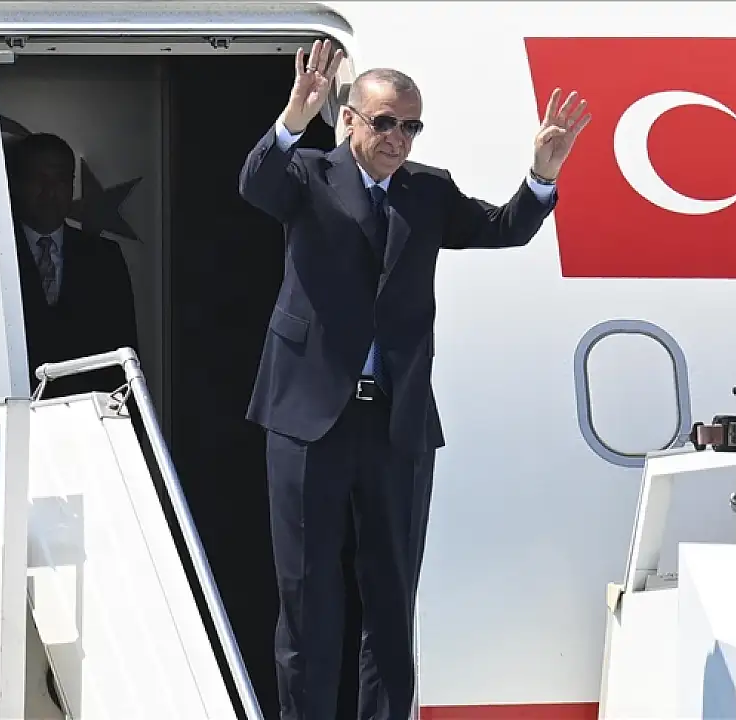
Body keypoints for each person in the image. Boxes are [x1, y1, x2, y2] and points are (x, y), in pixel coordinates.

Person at [238, 40, 590, 720]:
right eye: (384, 123)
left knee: (392, 601)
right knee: (308, 598)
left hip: (395, 423)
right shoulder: (308, 173)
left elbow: (503, 228)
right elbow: (256, 184)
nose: (398, 137)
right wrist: (292, 118)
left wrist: (541, 175)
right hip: (309, 415)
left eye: (410, 126)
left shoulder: (427, 190)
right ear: (348, 119)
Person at [6, 132, 140, 399]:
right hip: (14, 407)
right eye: (38, 179)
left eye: (60, 180)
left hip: (88, 410)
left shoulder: (105, 257)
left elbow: (124, 353)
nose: (49, 192)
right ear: (17, 184)